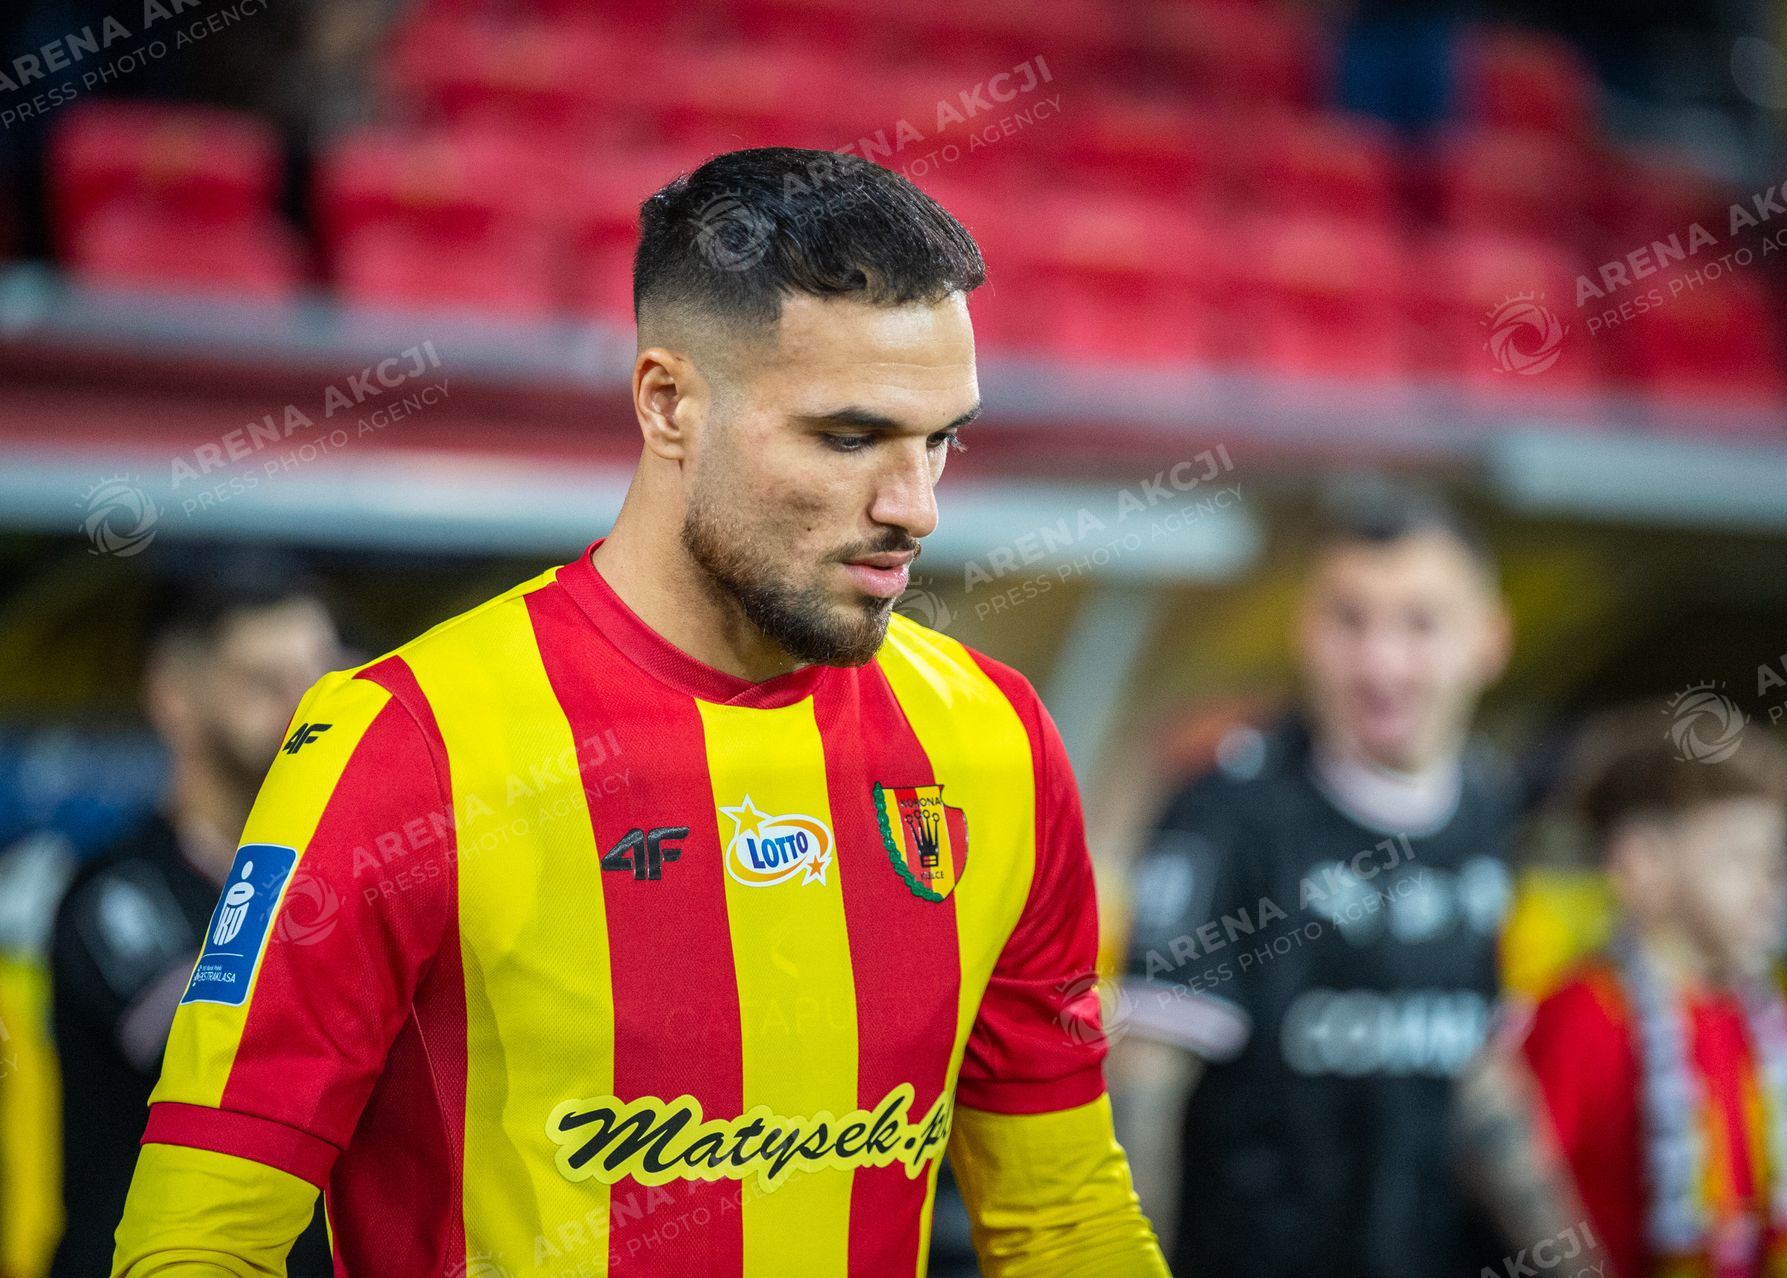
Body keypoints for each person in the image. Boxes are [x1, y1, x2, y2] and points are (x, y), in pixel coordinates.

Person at [111, 147, 1168, 1277]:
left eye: (941, 438)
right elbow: (197, 1246)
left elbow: (1067, 1226)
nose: (915, 507)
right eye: (850, 438)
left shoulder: (995, 739)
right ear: (667, 403)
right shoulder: (406, 740)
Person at [1111, 484, 1518, 1277]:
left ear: (1489, 639)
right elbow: (1143, 1091)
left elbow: (1476, 1064)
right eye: (1348, 619)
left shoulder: (1489, 805)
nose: (1380, 661)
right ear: (1305, 630)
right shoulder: (1225, 812)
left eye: (1420, 623)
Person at [1460, 711, 1787, 1278]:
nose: (1777, 881)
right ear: (1641, 865)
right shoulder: (1583, 1018)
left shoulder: (1778, 1018)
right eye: (1741, 857)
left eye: (1778, 857)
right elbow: (1514, 1210)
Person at [49, 553, 339, 1278]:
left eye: (323, 681)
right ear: (174, 695)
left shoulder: (348, 880)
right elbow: (231, 1055)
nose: (306, 711)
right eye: (265, 683)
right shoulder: (118, 893)